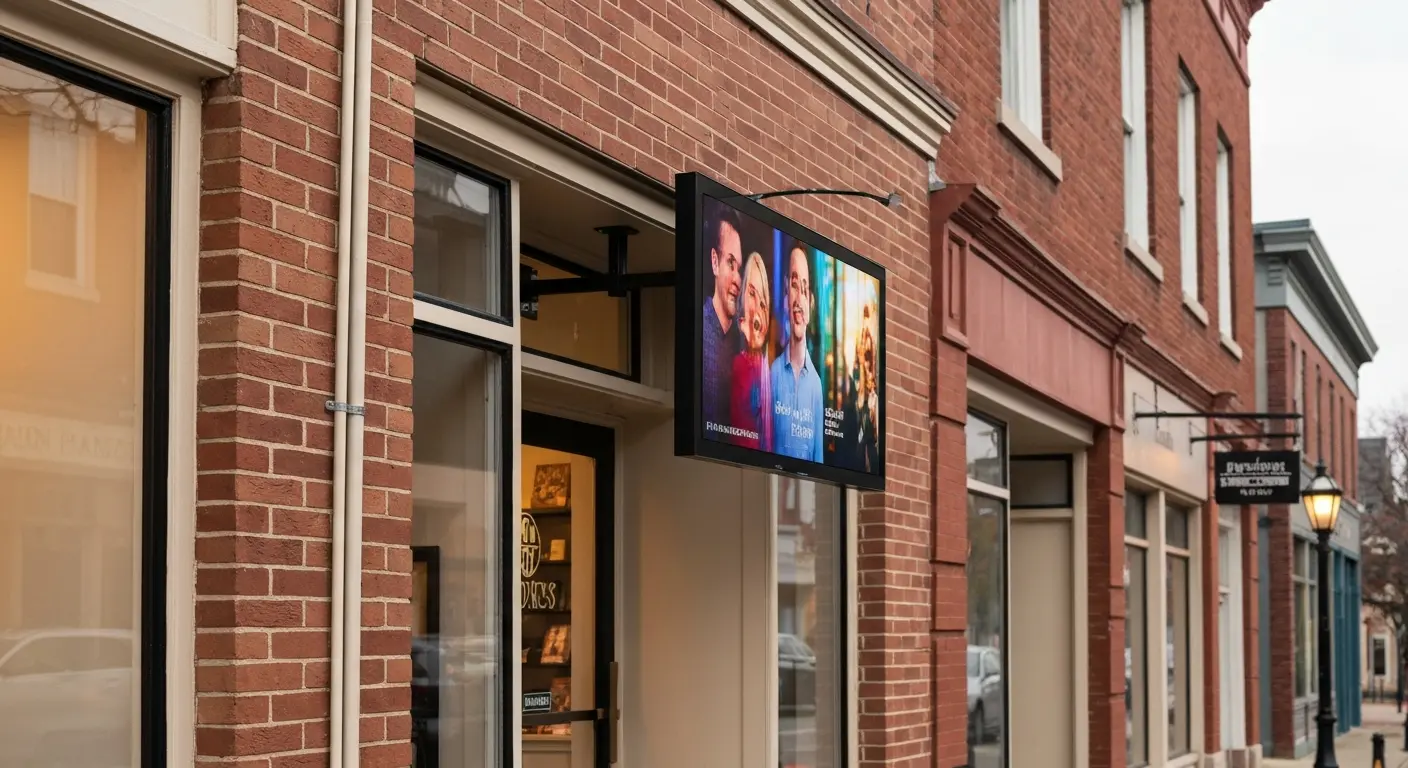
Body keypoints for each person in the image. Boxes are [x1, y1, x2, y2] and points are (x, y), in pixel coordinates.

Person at [770, 243, 823, 462]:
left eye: (804, 287)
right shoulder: (772, 374)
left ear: (810, 302)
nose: (799, 299)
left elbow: (818, 461)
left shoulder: (816, 386)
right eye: (794, 285)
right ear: (785, 296)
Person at [702, 205, 743, 431]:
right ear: (715, 262)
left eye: (740, 267)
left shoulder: (741, 344)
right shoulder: (698, 332)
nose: (737, 278)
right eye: (730, 263)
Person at [729, 251, 773, 450]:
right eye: (752, 294)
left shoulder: (772, 373)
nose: (757, 308)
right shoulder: (736, 365)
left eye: (763, 303)